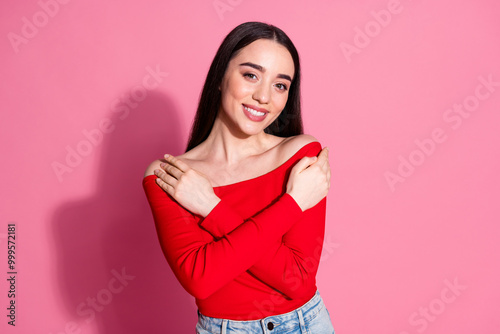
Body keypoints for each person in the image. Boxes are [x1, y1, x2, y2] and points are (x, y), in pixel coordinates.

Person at [142, 21, 334, 333]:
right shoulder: (172, 176)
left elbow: (297, 280)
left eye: (280, 85)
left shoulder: (300, 154)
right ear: (220, 76)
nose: (263, 97)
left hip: (304, 325)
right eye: (251, 75)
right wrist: (293, 203)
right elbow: (200, 279)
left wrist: (211, 208)